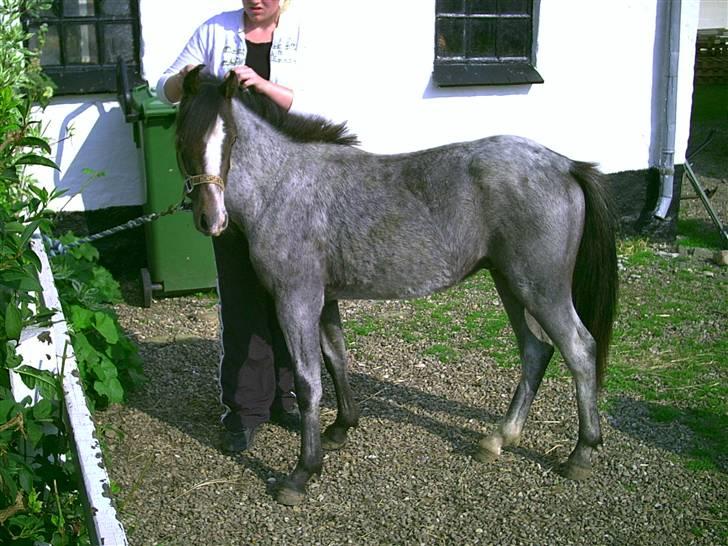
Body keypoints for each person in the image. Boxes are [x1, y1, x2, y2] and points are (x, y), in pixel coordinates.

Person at [156, 0, 303, 453]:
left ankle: (288, 396)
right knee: (241, 296)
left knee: (289, 295)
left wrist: (261, 83)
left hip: (289, 185)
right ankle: (245, 408)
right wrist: (187, 78)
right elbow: (166, 89)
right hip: (232, 188)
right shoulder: (214, 29)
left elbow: (307, 100)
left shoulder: (299, 32)